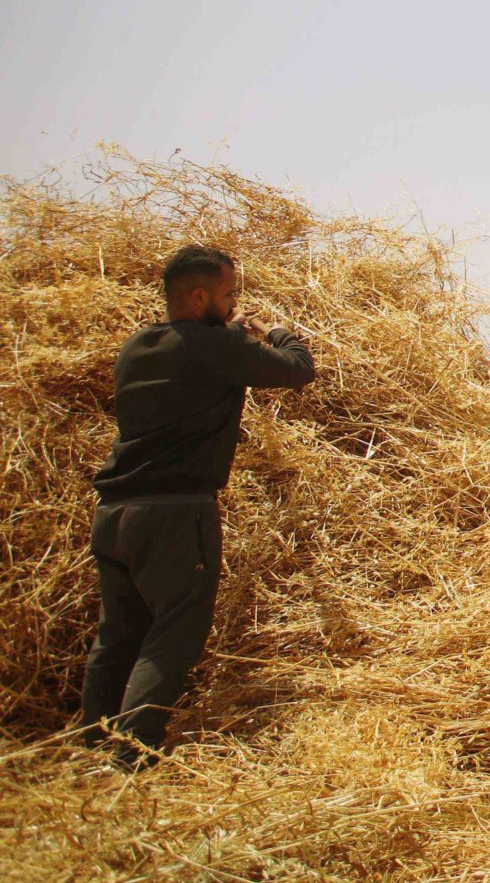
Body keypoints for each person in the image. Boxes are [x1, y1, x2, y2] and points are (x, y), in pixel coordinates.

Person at [80, 245, 315, 766]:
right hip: (175, 515)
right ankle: (131, 759)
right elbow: (299, 370)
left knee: (118, 635)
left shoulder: (137, 347)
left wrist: (233, 333)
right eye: (230, 295)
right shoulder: (213, 347)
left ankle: (90, 748)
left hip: (115, 512)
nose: (235, 304)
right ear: (199, 295)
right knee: (175, 635)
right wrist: (273, 332)